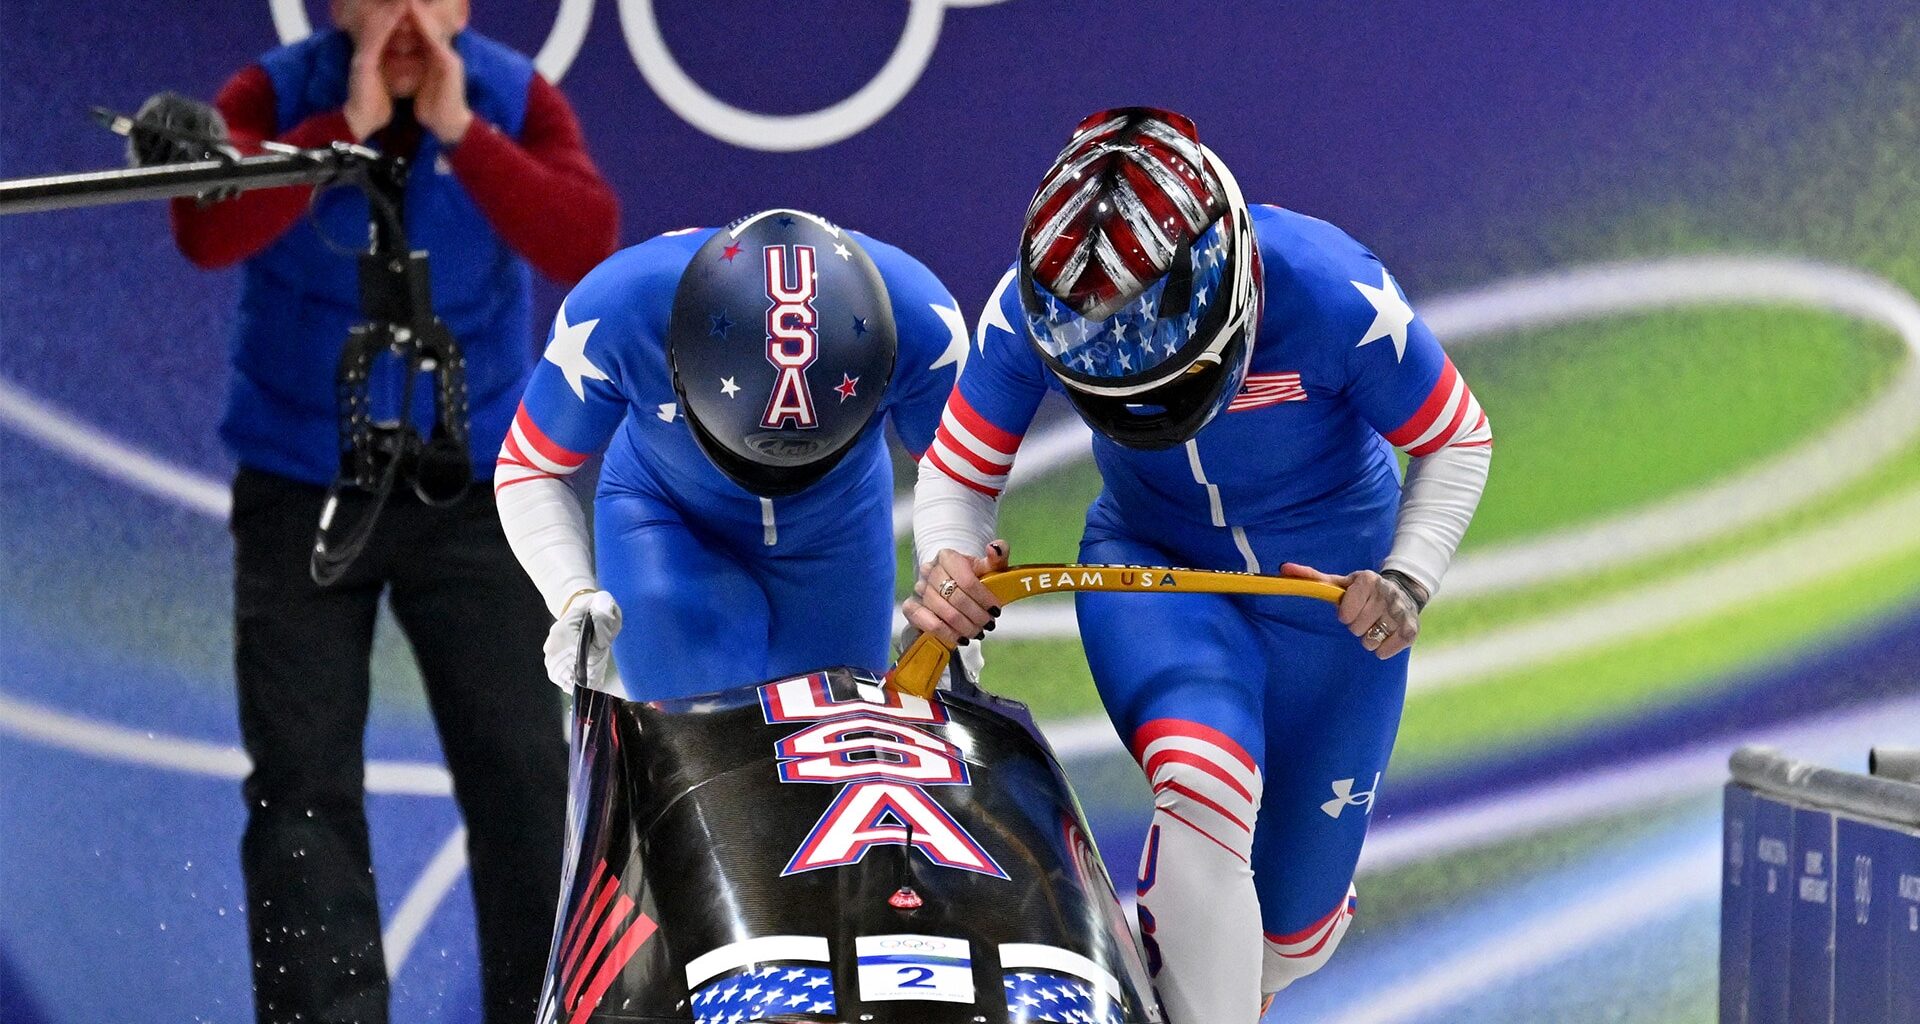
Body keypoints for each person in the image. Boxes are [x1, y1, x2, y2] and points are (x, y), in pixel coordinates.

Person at [901, 108, 1492, 1023]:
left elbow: (1456, 438)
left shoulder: (1333, 293)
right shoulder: (1032, 304)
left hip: (1331, 605)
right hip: (1155, 571)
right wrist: (949, 570)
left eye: (1172, 378)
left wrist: (1408, 578)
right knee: (1204, 781)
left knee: (1291, 941)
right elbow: (958, 472)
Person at [160, 1, 619, 1021]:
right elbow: (205, 230)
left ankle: (547, 1011)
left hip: (473, 491)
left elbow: (583, 235)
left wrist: (464, 133)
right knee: (300, 785)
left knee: (524, 776)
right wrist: (344, 130)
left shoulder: (513, 97)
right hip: (301, 488)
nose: (405, 13)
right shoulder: (272, 95)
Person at [495, 209, 968, 700]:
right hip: (669, 517)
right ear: (678, 364)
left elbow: (960, 476)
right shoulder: (620, 309)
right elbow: (530, 468)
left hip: (838, 525)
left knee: (836, 739)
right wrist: (570, 591)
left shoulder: (922, 325)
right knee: (703, 731)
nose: (773, 472)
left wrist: (951, 595)